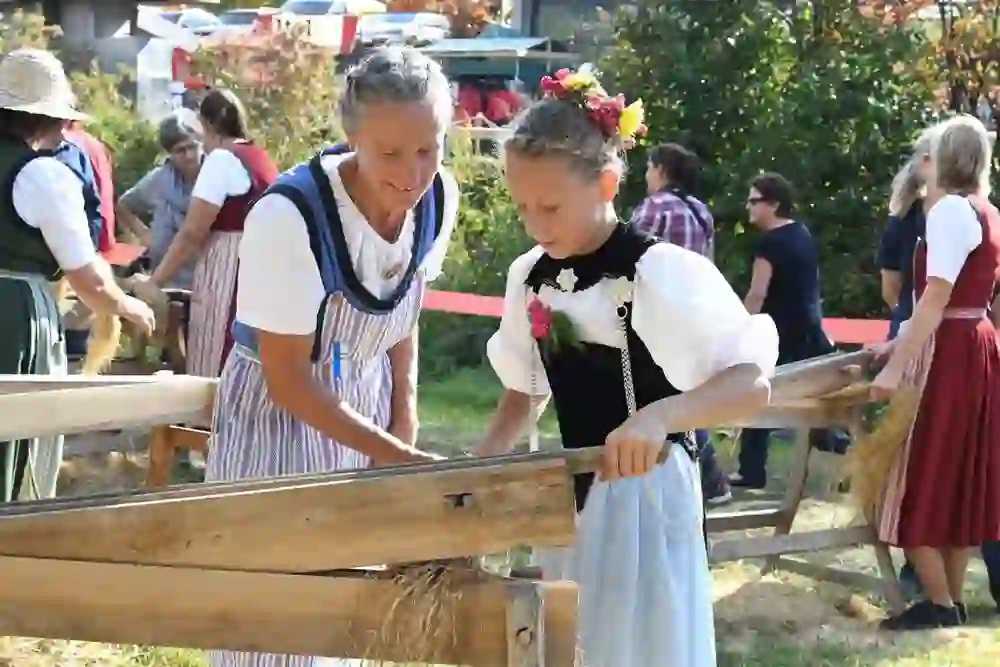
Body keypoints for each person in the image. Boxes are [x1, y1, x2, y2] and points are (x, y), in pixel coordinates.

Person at [475, 68, 778, 667]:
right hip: (572, 496)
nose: (536, 223)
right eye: (523, 207)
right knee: (573, 641)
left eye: (552, 206)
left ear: (607, 184)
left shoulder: (658, 272)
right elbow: (524, 388)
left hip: (646, 498)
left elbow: (751, 384)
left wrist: (662, 417)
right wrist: (478, 470)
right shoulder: (529, 276)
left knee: (638, 644)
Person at [205, 46, 458, 667]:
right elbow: (288, 377)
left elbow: (404, 317)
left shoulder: (438, 197)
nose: (413, 171)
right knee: (276, 618)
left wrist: (405, 418)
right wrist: (399, 457)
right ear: (352, 139)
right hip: (278, 420)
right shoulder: (289, 216)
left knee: (352, 618)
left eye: (428, 149)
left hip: (363, 404)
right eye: (391, 154)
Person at [0, 48, 155, 503]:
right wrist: (130, 306)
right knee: (16, 444)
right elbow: (89, 279)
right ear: (47, 121)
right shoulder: (43, 176)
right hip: (13, 316)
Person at [872, 115, 1000, 630]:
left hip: (948, 349)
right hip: (977, 344)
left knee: (917, 470)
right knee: (959, 474)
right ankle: (947, 600)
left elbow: (933, 300)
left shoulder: (948, 211)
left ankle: (940, 602)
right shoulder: (988, 211)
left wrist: (897, 365)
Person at [133, 89, 278, 380]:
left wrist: (155, 282)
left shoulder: (221, 160)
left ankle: (209, 422)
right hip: (262, 266)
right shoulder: (258, 156)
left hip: (230, 268)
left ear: (207, 124)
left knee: (217, 355)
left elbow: (192, 233)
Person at [630, 142, 731, 505]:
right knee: (685, 394)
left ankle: (703, 477)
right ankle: (711, 479)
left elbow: (629, 258)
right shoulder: (701, 212)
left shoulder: (655, 207)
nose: (645, 175)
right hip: (693, 313)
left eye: (648, 168)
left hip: (658, 312)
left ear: (660, 169)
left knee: (660, 395)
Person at [730, 173, 835, 490]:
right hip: (808, 328)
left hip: (777, 332)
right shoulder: (801, 233)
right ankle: (847, 451)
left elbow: (757, 293)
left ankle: (751, 471)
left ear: (773, 204)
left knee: (755, 393)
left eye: (754, 200)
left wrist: (741, 328)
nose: (748, 206)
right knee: (816, 405)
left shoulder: (770, 243)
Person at [117, 110, 204, 291]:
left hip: (205, 278)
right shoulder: (159, 180)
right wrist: (145, 235)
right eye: (180, 150)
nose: (188, 155)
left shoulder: (215, 176)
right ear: (169, 153)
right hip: (166, 279)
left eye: (192, 147)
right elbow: (124, 206)